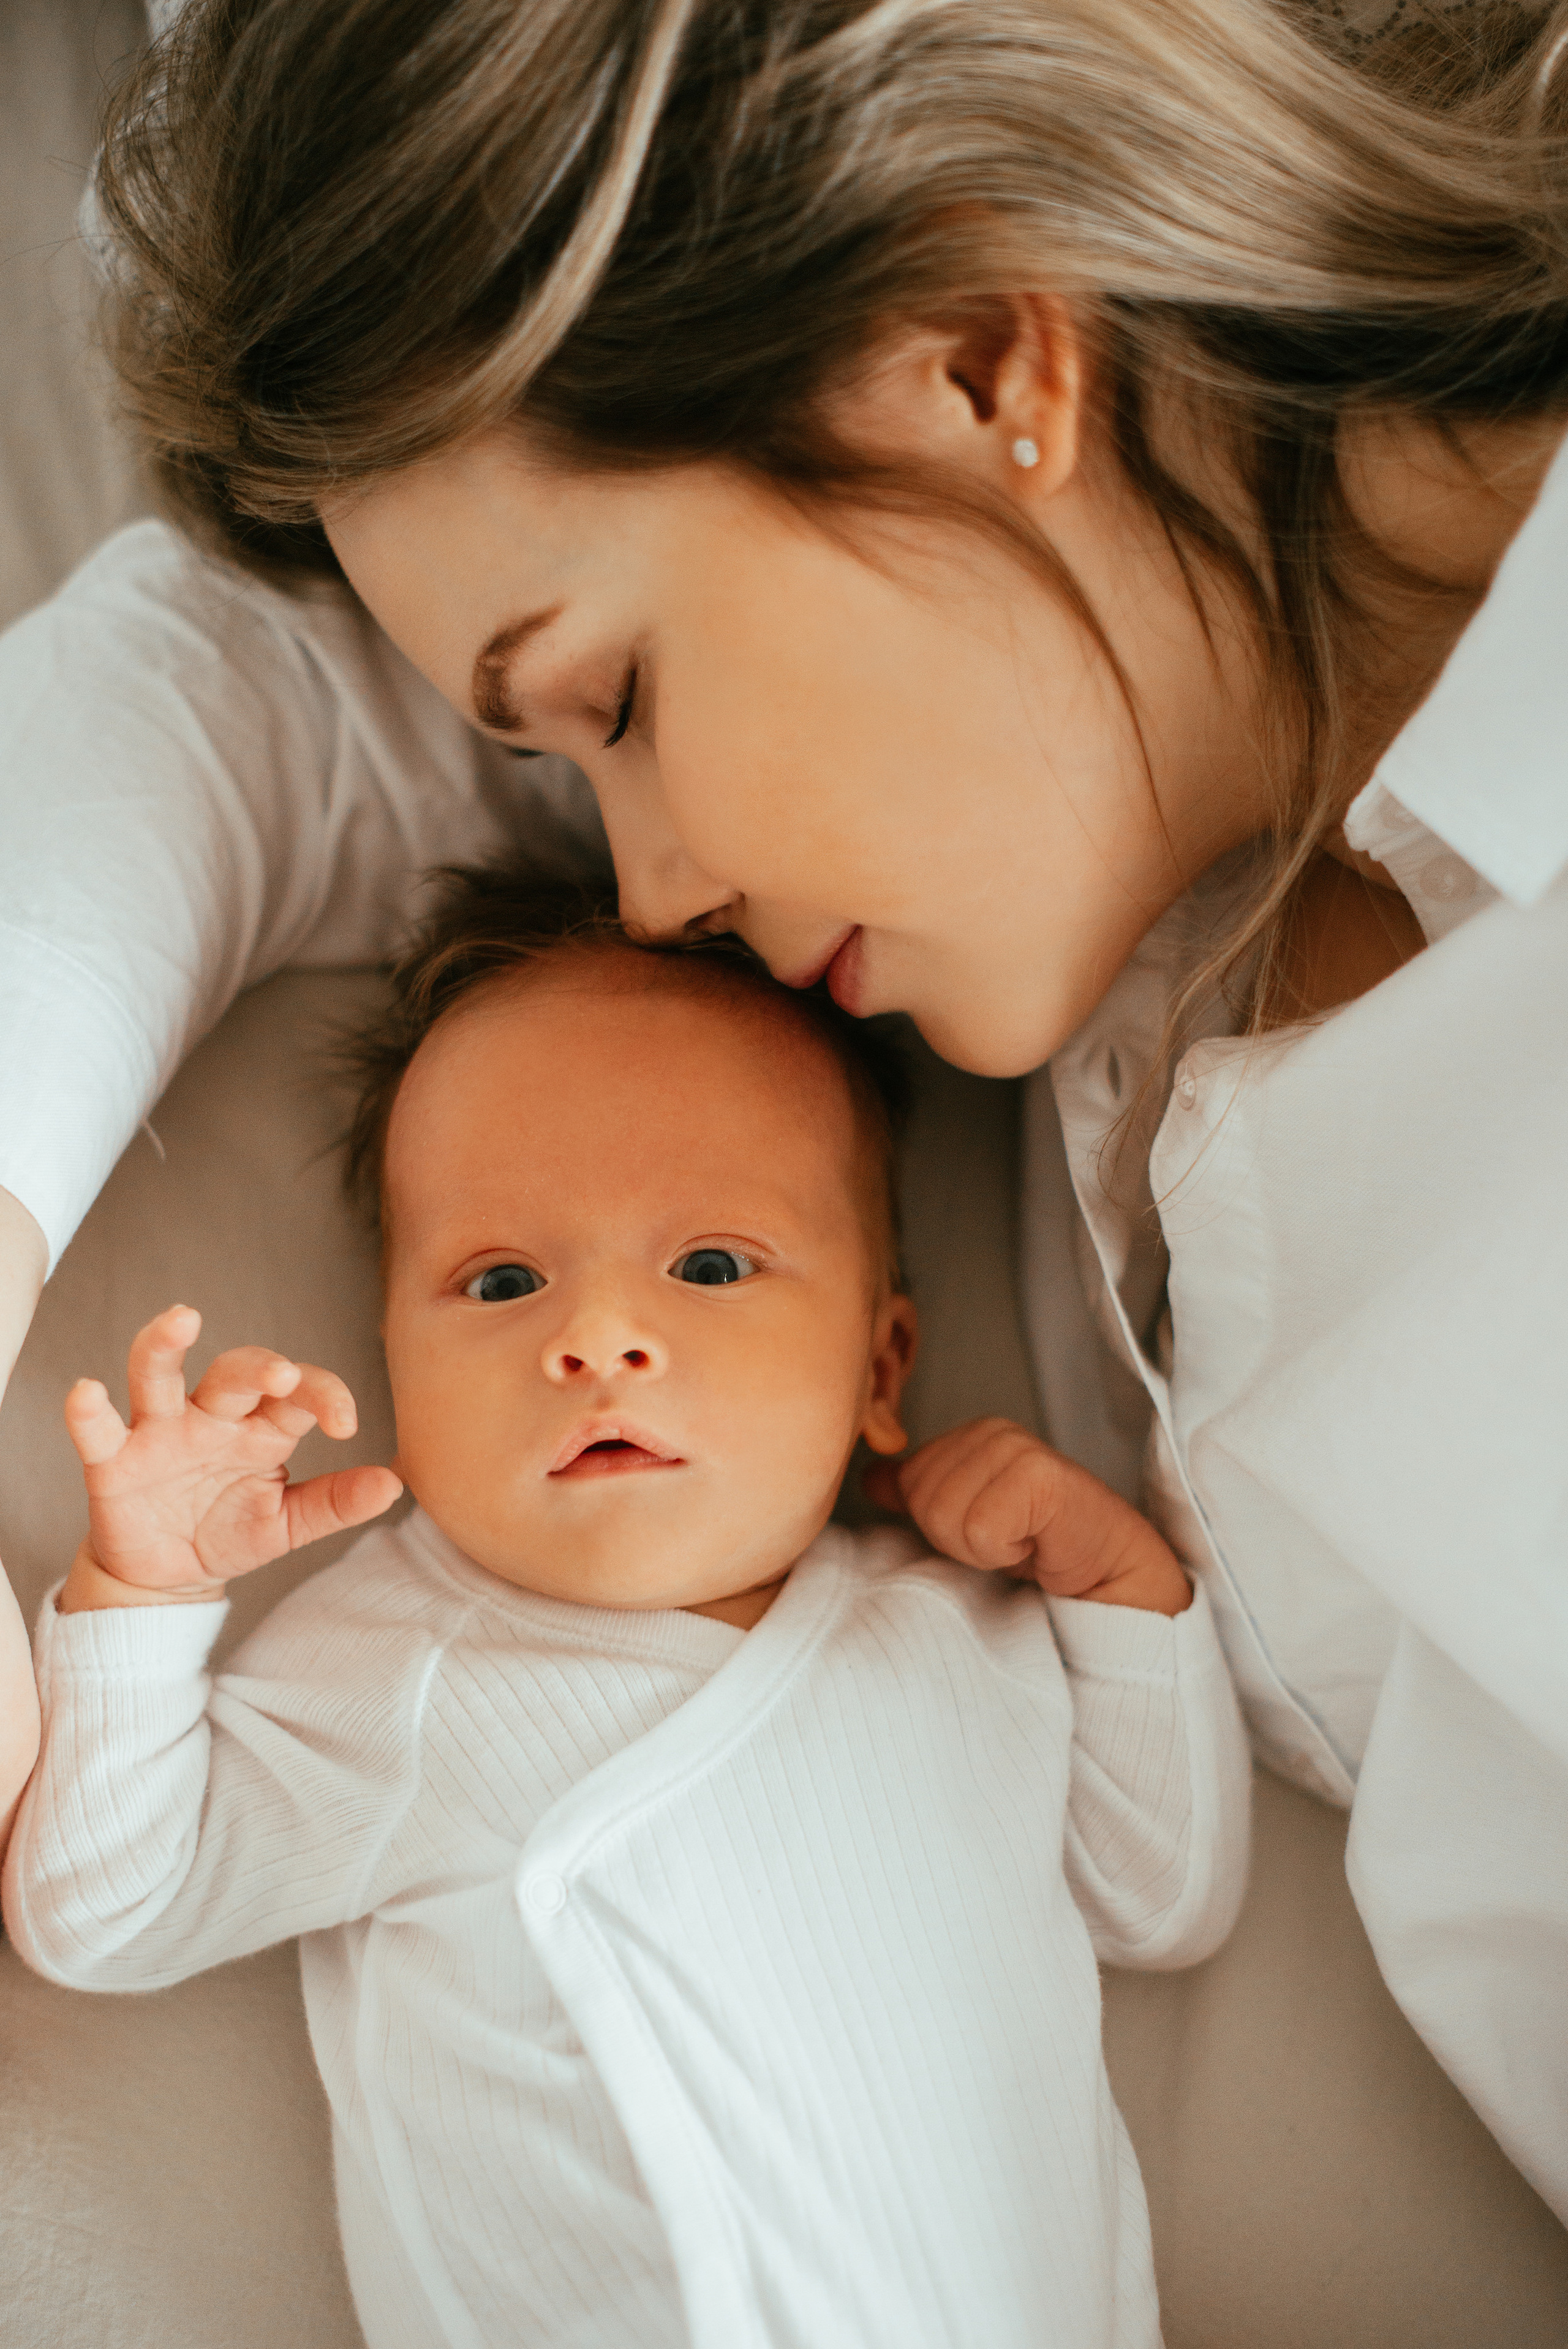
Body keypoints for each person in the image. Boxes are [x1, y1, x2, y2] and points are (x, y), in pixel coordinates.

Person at [0, 0, 1564, 2224]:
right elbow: (230, 691)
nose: (647, 897)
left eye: (620, 704)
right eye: (567, 754)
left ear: (973, 358)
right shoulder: (1079, 795)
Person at [2, 876, 1250, 2349]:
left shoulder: (962, 1635)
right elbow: (111, 1911)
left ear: (879, 1363)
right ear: (397, 1363)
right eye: (502, 1278)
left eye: (710, 1265)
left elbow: (1160, 1898)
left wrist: (1117, 1587)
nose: (596, 1337)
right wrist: (149, 1588)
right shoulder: (402, 1667)